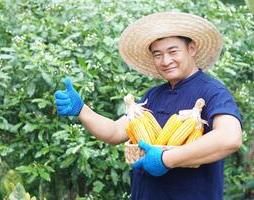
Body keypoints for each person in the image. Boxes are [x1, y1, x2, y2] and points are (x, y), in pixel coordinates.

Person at [54, 12, 242, 200]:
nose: (166, 61)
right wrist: (82, 110)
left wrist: (165, 159)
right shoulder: (153, 95)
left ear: (191, 48)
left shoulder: (213, 92)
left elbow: (230, 137)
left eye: (173, 51)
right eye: (157, 54)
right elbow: (114, 133)